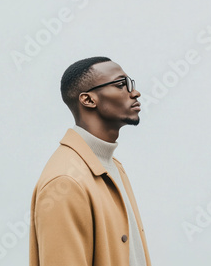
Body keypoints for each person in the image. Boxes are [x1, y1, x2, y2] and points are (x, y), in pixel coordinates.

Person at [29, 56, 151, 266]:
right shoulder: (65, 181)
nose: (135, 92)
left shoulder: (112, 166)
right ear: (88, 100)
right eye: (121, 85)